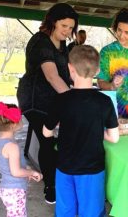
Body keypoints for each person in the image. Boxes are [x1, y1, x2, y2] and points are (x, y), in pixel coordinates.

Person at [42, 45, 119, 216]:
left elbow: (46, 132)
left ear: (70, 68)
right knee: (91, 212)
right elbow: (114, 138)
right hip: (92, 170)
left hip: (64, 168)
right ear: (98, 70)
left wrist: (61, 127)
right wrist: (98, 130)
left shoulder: (60, 100)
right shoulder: (104, 101)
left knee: (65, 211)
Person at [16, 3, 79, 204]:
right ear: (52, 22)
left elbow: (67, 74)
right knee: (47, 140)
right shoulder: (40, 42)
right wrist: (74, 102)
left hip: (55, 98)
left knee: (59, 140)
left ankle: (63, 179)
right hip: (35, 99)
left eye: (71, 27)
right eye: (64, 26)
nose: (67, 31)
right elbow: (52, 77)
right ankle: (50, 187)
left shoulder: (63, 46)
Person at [0, 102, 43, 217]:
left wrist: (27, 169)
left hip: (8, 189)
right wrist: (32, 172)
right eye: (20, 118)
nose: (22, 120)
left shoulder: (1, 141)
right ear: (13, 125)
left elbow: (9, 165)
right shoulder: (12, 146)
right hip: (14, 190)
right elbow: (16, 172)